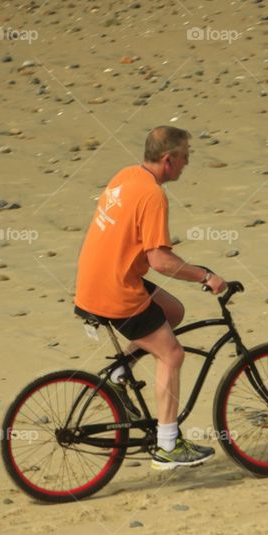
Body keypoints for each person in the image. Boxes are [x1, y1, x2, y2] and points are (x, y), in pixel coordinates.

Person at [73, 125, 228, 470]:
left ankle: (120, 373)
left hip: (94, 280)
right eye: (186, 157)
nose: (187, 164)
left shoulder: (126, 175)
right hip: (114, 291)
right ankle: (168, 445)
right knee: (171, 354)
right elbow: (160, 261)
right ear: (169, 160)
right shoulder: (154, 196)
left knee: (172, 312)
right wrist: (206, 276)